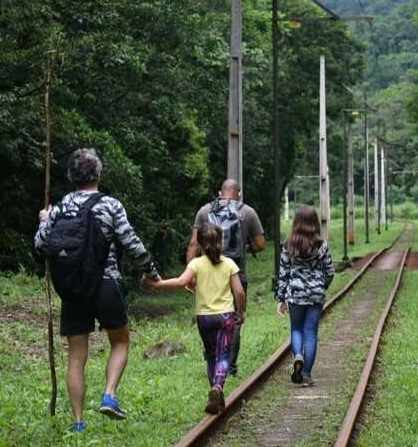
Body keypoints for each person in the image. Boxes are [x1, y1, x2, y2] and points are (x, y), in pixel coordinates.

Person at [34, 148, 162, 433]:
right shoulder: (110, 205)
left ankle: (78, 423)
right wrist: (151, 270)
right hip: (105, 284)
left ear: (71, 176)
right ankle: (109, 395)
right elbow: (131, 243)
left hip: (72, 290)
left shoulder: (61, 206)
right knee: (120, 341)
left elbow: (40, 245)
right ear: (98, 174)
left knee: (76, 356)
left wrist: (45, 219)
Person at [145, 222, 246, 414]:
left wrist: (157, 284)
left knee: (210, 354)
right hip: (225, 316)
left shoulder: (196, 264)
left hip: (204, 318)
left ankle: (216, 392)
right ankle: (217, 387)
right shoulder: (229, 264)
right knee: (223, 354)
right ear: (221, 242)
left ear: (199, 244)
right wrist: (241, 311)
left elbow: (182, 281)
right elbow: (239, 292)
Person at [187, 179, 265, 376]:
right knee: (235, 318)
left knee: (207, 312)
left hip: (206, 274)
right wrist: (246, 249)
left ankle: (212, 358)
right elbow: (261, 244)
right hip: (236, 272)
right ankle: (229, 365)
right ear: (239, 193)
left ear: (220, 192)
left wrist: (190, 273)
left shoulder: (204, 211)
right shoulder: (247, 212)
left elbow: (193, 245)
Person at [275, 205, 335, 388]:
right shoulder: (321, 245)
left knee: (296, 330)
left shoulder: (288, 245)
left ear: (296, 223)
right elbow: (330, 271)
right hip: (315, 296)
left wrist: (281, 298)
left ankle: (298, 356)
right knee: (311, 333)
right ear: (315, 223)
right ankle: (306, 374)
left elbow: (283, 273)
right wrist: (321, 287)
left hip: (295, 294)